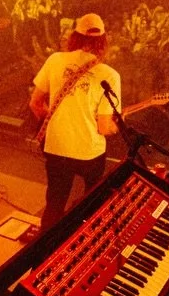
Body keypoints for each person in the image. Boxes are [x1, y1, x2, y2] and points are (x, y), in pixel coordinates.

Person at [29, 13, 120, 229]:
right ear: (103, 41)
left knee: (54, 203)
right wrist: (116, 126)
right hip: (89, 153)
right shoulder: (110, 75)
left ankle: (45, 253)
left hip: (56, 147)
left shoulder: (55, 60)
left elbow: (34, 103)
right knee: (91, 202)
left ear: (75, 37)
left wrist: (53, 119)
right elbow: (104, 127)